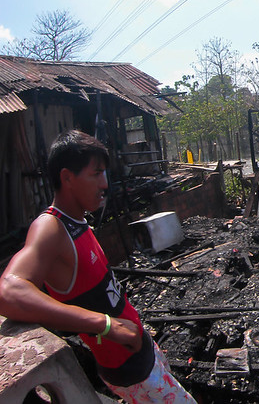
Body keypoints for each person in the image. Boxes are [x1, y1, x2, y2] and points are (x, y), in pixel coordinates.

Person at [0, 130, 196, 403]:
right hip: (129, 371)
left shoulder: (78, 223)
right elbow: (9, 291)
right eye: (96, 173)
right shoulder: (51, 228)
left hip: (143, 353)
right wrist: (105, 325)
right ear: (67, 177)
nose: (105, 183)